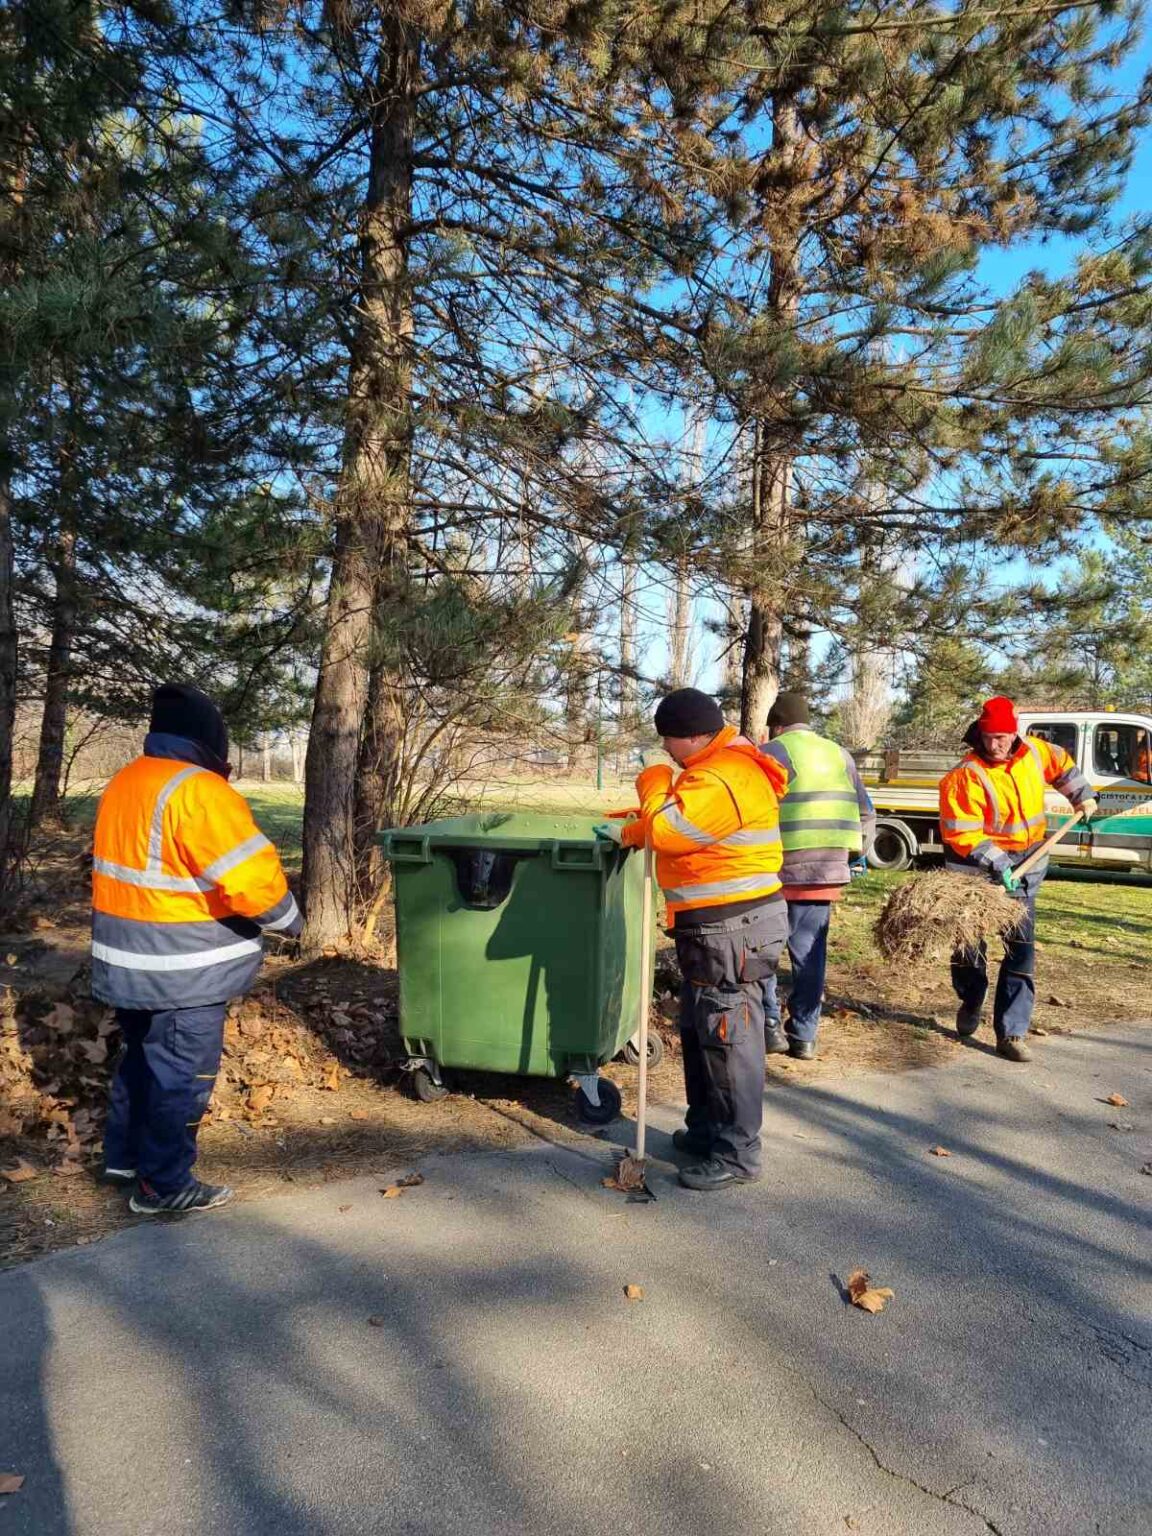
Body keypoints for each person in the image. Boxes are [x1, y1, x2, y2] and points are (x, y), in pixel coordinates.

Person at [93, 684, 303, 1214]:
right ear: (209, 738)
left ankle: (122, 1159)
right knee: (181, 1081)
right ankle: (162, 1186)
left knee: (140, 1062)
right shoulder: (200, 791)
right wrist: (291, 921)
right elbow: (252, 883)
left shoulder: (128, 780)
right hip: (183, 973)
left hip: (128, 963)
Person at [613, 688, 789, 1192]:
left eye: (668, 739)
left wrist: (651, 788)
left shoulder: (725, 774)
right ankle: (709, 1130)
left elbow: (670, 829)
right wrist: (632, 829)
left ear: (692, 735)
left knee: (728, 1039)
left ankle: (737, 1155)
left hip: (732, 929)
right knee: (701, 1031)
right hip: (715, 928)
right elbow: (675, 825)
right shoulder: (711, 770)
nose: (665, 749)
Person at [938, 695, 1096, 1062]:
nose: (997, 744)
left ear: (1016, 732)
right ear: (980, 732)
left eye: (1005, 736)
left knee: (1020, 951)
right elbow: (962, 833)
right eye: (991, 737)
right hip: (975, 873)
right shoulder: (966, 775)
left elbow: (1064, 768)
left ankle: (1011, 1032)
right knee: (968, 950)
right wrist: (998, 863)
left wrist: (1082, 797)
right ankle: (971, 997)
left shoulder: (1036, 752)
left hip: (1028, 864)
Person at [758, 692, 876, 1060]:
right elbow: (866, 812)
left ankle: (769, 1026)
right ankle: (805, 1036)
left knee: (762, 951)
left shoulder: (771, 753)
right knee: (809, 956)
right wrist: (857, 854)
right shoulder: (839, 754)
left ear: (776, 725)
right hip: (825, 871)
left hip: (776, 870)